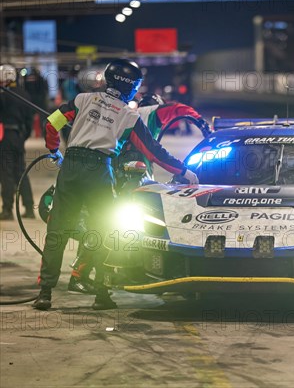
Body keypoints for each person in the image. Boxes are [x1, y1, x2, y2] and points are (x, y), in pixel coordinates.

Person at [32, 59, 198, 311]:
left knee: (58, 229)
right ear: (131, 86)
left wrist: (54, 150)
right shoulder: (128, 115)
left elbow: (51, 122)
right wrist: (183, 170)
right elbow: (153, 151)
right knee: (103, 230)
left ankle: (44, 293)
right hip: (99, 170)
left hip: (71, 167)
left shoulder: (82, 99)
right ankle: (101, 295)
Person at [67, 94, 212, 294]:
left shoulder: (124, 115)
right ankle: (85, 276)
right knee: (110, 226)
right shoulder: (149, 114)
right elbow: (178, 110)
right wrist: (202, 123)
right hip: (127, 180)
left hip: (109, 175)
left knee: (105, 226)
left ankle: (100, 274)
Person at [0, 64, 35, 220]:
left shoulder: (2, 95)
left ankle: (7, 210)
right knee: (21, 173)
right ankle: (29, 208)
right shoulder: (24, 94)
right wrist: (22, 137)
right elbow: (29, 121)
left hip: (5, 137)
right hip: (19, 137)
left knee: (6, 173)